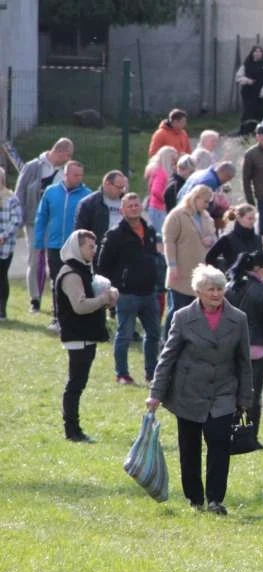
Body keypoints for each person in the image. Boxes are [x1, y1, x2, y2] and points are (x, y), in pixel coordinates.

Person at [147, 264, 252, 515]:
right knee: (189, 448)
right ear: (198, 292)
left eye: (220, 289)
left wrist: (245, 398)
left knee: (219, 446)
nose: (216, 294)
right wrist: (155, 394)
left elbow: (243, 361)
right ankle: (194, 498)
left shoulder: (238, 319)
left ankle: (215, 499)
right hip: (189, 393)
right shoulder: (182, 317)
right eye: (210, 290)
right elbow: (167, 357)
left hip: (223, 392)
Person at [56, 229, 118, 442]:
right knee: (75, 385)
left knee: (77, 384)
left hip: (86, 336)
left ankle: (73, 429)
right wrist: (103, 299)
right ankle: (72, 431)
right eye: (90, 247)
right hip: (77, 336)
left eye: (95, 246)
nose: (94, 250)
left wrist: (108, 296)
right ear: (78, 247)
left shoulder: (82, 270)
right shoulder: (71, 274)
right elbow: (80, 306)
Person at [96, 193, 163, 385]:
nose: (134, 208)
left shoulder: (149, 230)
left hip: (149, 292)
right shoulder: (115, 234)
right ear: (122, 210)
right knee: (124, 335)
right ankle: (122, 373)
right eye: (129, 206)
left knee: (153, 334)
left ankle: (151, 373)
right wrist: (115, 286)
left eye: (136, 204)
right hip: (127, 294)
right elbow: (102, 264)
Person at [224, 251, 263, 448]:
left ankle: (230, 432)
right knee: (252, 395)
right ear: (258, 268)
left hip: (232, 348)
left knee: (232, 393)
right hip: (258, 350)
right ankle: (248, 437)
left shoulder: (229, 287)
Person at [14, 137, 74, 313]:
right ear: (60, 151)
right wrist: (19, 219)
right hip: (35, 221)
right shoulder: (33, 167)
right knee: (35, 259)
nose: (68, 159)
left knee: (58, 259)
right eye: (68, 155)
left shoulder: (65, 170)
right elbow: (20, 192)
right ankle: (35, 299)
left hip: (57, 222)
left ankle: (60, 299)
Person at [35, 161, 91, 332]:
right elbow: (41, 217)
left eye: (80, 175)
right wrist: (38, 242)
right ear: (65, 174)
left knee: (80, 281)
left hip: (77, 248)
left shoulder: (87, 195)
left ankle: (79, 317)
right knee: (57, 282)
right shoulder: (51, 192)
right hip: (55, 246)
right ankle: (58, 317)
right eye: (75, 175)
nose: (78, 178)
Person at [162, 184, 217, 335]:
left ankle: (189, 342)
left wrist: (210, 239)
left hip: (200, 273)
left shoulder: (205, 216)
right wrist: (172, 265)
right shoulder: (177, 215)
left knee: (197, 311)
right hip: (180, 271)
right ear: (196, 197)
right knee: (178, 310)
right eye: (205, 201)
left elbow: (213, 235)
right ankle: (168, 341)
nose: (207, 205)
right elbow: (169, 241)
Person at [74, 170, 129, 254]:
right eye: (119, 187)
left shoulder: (127, 202)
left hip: (123, 250)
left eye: (123, 187)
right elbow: (80, 233)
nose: (122, 190)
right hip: (99, 252)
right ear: (107, 184)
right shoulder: (89, 203)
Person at [206, 204, 263, 272]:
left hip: (255, 280)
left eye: (254, 218)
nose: (253, 221)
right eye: (249, 218)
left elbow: (262, 261)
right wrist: (225, 272)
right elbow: (209, 259)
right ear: (239, 218)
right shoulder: (227, 239)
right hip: (234, 280)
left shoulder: (258, 239)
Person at [0, 167, 24, 320]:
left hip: (4, 246)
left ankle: (1, 311)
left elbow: (17, 221)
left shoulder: (11, 198)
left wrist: (2, 236)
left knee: (1, 276)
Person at [236, 45, 263, 134]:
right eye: (255, 51)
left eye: (259, 51)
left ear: (262, 53)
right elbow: (238, 77)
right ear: (252, 53)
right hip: (248, 93)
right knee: (248, 112)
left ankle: (259, 131)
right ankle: (245, 131)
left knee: (260, 112)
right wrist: (246, 80)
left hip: (262, 95)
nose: (257, 53)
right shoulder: (246, 64)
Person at [145, 147, 178, 231]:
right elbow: (156, 191)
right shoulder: (161, 173)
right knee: (161, 235)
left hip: (154, 207)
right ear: (167, 159)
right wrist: (166, 200)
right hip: (158, 209)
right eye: (173, 160)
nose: (175, 163)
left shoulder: (156, 170)